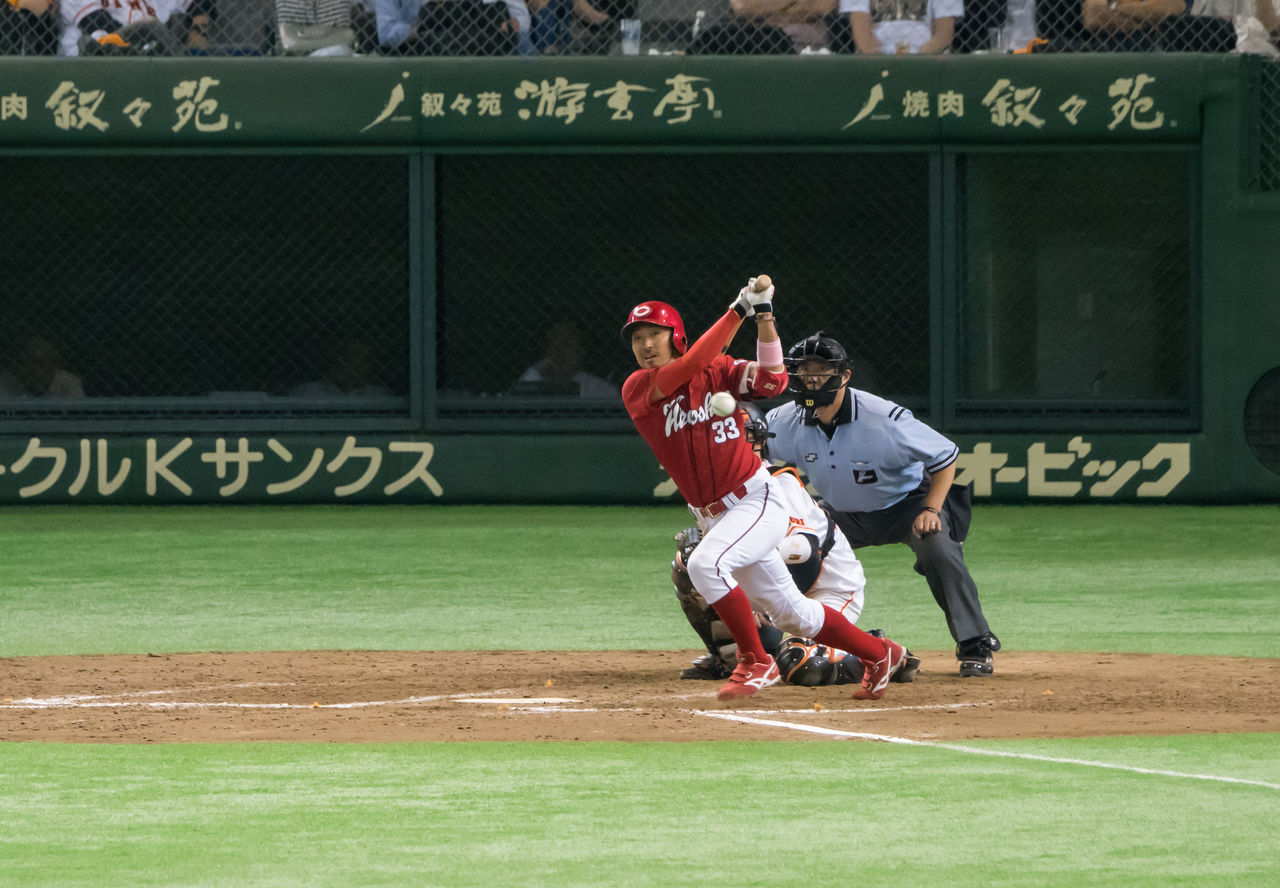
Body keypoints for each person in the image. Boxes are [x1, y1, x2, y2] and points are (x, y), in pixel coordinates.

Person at [621, 279, 909, 701]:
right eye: (638, 338)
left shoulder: (718, 371)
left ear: (676, 337)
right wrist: (738, 309)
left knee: (705, 565)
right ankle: (880, 653)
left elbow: (774, 381)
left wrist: (763, 317)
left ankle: (755, 660)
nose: (646, 345)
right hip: (715, 514)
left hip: (755, 498)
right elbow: (694, 362)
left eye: (655, 334)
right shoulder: (638, 388)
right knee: (793, 615)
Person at [764, 332, 1001, 678]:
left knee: (938, 548)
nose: (811, 378)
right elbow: (756, 460)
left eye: (821, 369)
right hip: (840, 515)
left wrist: (932, 510)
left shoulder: (884, 419)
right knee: (784, 549)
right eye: (802, 369)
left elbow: (945, 456)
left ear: (844, 375)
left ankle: (974, 643)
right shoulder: (784, 421)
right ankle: (762, 644)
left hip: (906, 506)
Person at [672, 415, 922, 686]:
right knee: (690, 562)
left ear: (758, 443)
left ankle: (882, 653)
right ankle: (728, 658)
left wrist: (759, 593)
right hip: (777, 590)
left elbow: (805, 553)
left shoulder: (776, 484)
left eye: (739, 436)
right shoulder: (710, 493)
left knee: (802, 665)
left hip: (829, 588)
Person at [60, 0, 216, 55]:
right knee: (152, 27)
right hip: (95, 63)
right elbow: (97, 23)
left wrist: (197, 32)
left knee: (153, 29)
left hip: (151, 55)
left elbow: (202, 3)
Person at [511, 321, 619, 398]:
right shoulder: (534, 377)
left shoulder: (600, 390)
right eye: (553, 343)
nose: (558, 349)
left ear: (581, 351)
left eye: (566, 344)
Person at [837, 0, 963, 53]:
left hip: (925, 60)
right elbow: (863, 39)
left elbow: (943, 36)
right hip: (876, 61)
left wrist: (913, 62)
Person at [290, 338, 392, 398]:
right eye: (342, 356)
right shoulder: (308, 392)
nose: (342, 362)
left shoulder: (378, 396)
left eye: (351, 357)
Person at [0, 335, 86, 399]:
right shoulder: (5, 383)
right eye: (25, 363)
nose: (33, 369)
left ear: (54, 365)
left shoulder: (69, 383)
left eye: (40, 363)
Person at [276, 0, 357, 55]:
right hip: (293, 63)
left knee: (340, 51)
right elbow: (289, 43)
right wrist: (325, 32)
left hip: (331, 59)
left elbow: (346, 37)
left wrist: (303, 33)